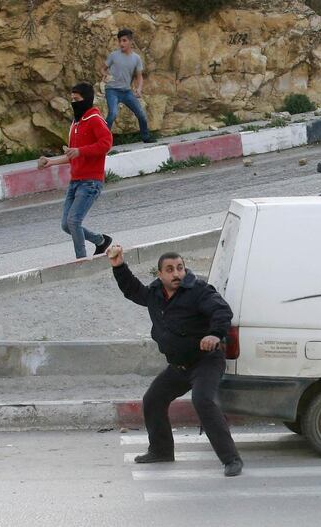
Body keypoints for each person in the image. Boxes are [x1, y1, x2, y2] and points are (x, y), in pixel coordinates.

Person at [108, 246, 243, 477]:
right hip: (179, 366)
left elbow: (221, 311)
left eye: (179, 268)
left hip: (206, 362)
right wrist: (119, 265)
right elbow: (132, 290)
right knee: (153, 399)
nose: (176, 274)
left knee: (202, 401)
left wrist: (214, 334)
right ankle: (161, 450)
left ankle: (231, 459)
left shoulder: (198, 290)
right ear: (160, 274)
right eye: (170, 270)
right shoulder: (155, 294)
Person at [38, 83, 113, 259]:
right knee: (66, 225)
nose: (74, 103)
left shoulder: (95, 119)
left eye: (77, 100)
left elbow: (106, 144)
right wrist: (51, 162)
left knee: (74, 221)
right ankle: (100, 241)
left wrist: (81, 151)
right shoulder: (76, 123)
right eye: (72, 99)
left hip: (90, 182)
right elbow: (73, 154)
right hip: (75, 181)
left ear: (86, 100)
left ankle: (82, 259)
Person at [100, 28, 156, 143]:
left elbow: (139, 76)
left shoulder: (136, 58)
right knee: (113, 114)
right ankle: (103, 141)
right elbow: (102, 69)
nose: (121, 43)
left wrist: (139, 89)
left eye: (124, 40)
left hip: (126, 91)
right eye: (120, 41)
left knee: (141, 114)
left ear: (131, 42)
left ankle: (146, 137)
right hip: (112, 90)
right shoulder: (113, 55)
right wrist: (104, 74)